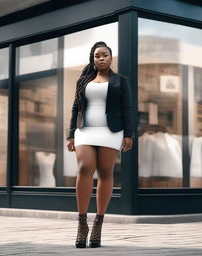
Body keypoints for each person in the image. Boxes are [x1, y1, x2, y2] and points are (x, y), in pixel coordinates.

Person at [66, 41, 134, 248]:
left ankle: (98, 223)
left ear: (111, 58)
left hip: (110, 131)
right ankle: (81, 223)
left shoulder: (121, 81)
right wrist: (71, 135)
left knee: (105, 172)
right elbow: (75, 107)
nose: (101, 58)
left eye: (105, 55)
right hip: (85, 131)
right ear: (93, 59)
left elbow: (127, 108)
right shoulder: (83, 80)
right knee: (85, 167)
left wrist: (128, 134)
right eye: (97, 55)